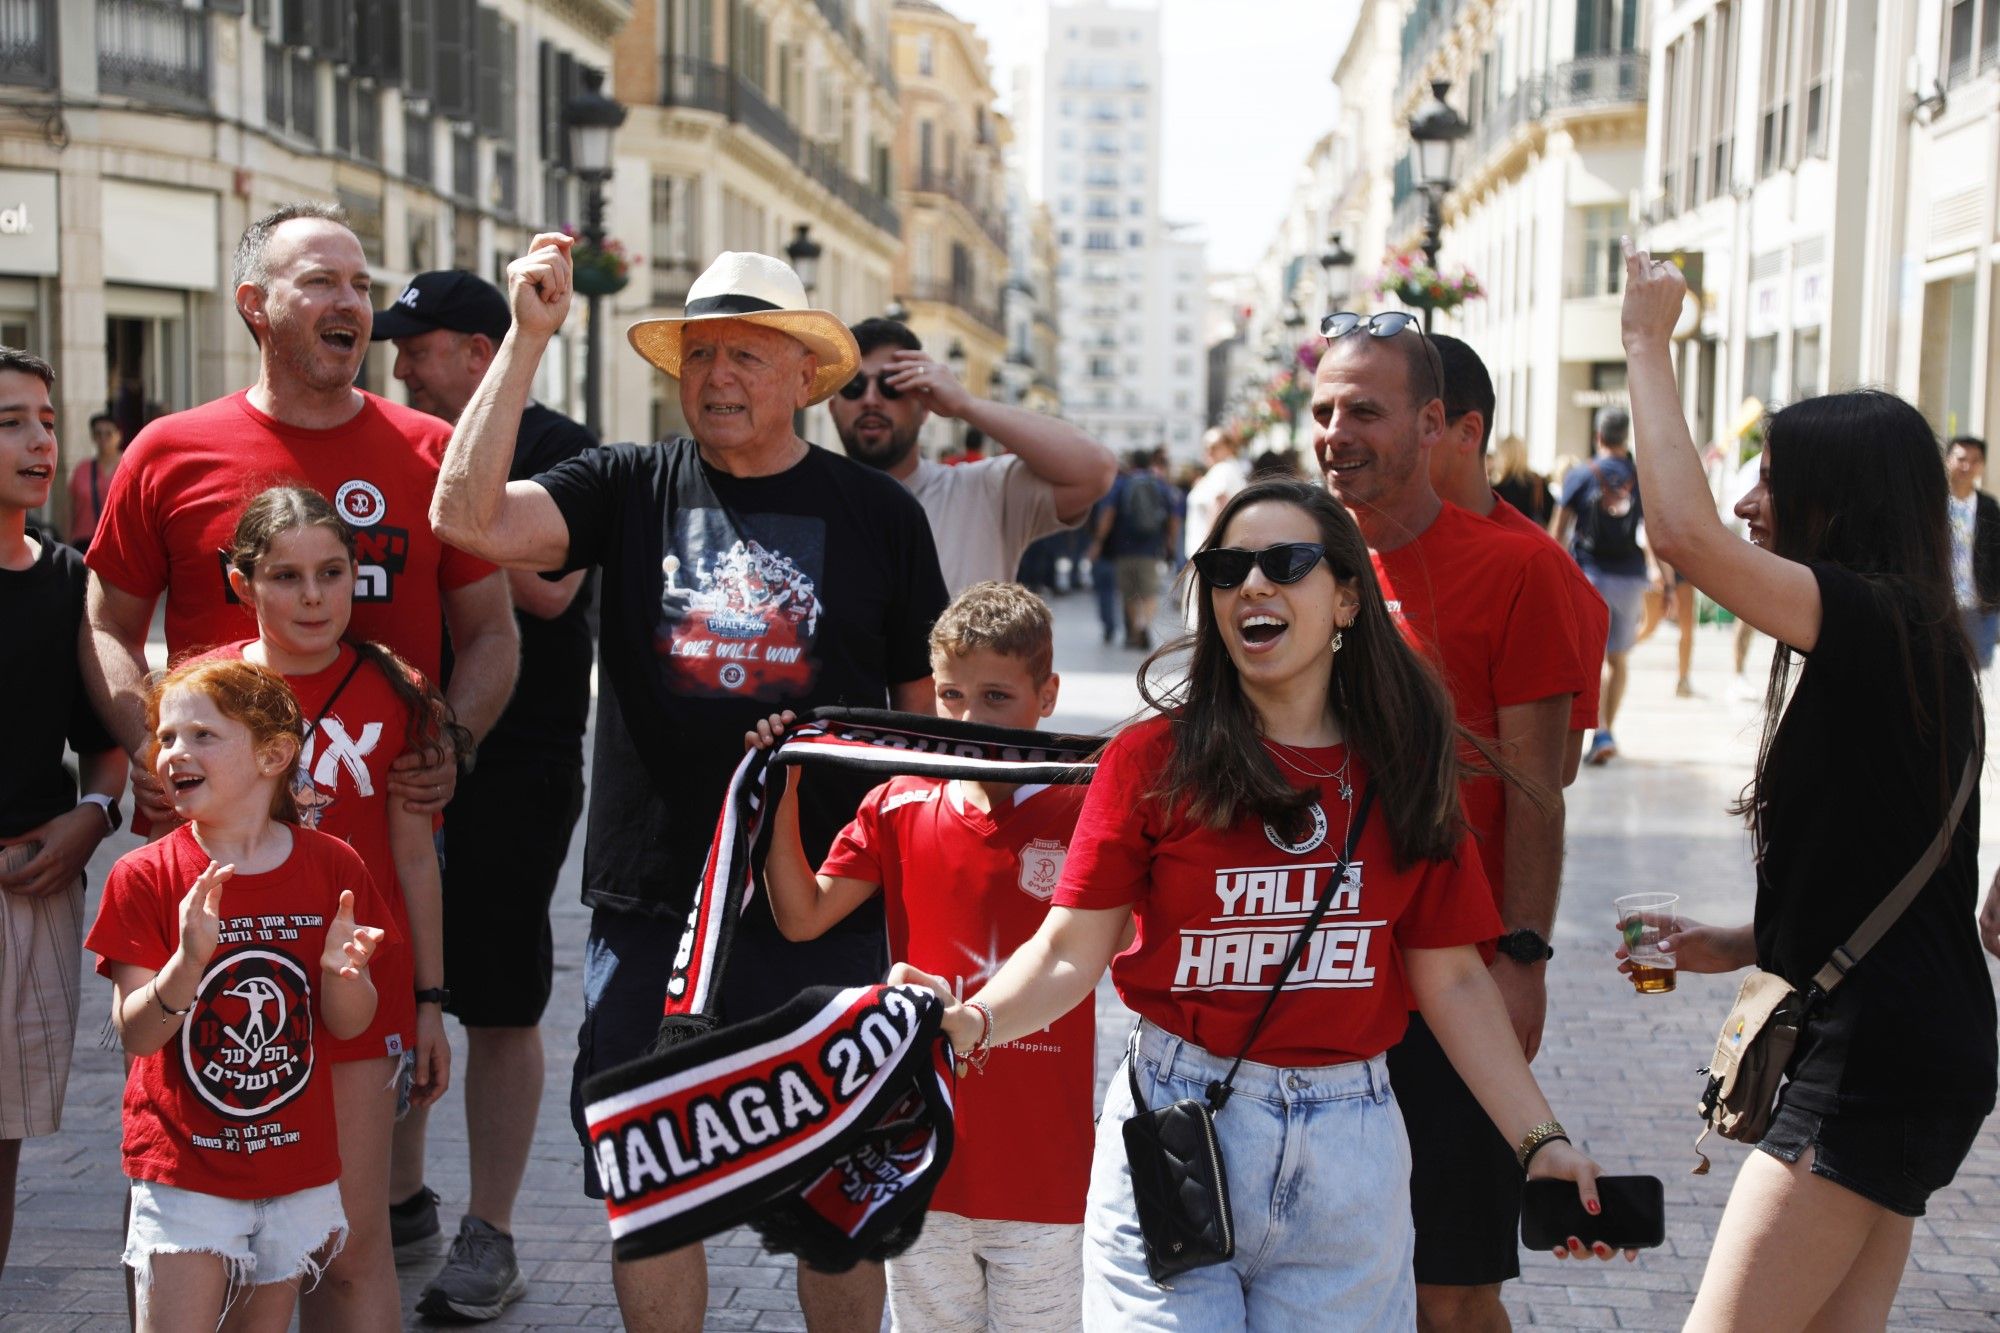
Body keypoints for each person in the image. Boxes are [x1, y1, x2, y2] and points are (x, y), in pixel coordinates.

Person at [897, 479, 1622, 1328]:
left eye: (1286, 563)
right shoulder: (1149, 761)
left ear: (1346, 596)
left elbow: (1454, 980)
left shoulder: (1407, 767)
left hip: (1350, 1155)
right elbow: (1067, 951)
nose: (1253, 584)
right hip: (1178, 1133)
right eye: (1229, 565)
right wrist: (973, 1020)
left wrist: (1542, 1140)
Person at [428, 237, 948, 1332]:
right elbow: (467, 520)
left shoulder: (880, 516)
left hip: (825, 917)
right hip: (653, 908)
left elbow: (924, 721)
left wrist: (909, 904)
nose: (716, 378)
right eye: (700, 354)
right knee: (652, 1200)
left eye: (746, 357)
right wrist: (524, 340)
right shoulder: (626, 483)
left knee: (834, 1205)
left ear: (803, 376)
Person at [1620, 239, 1995, 1330]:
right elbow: (1884, 868)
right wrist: (1733, 941)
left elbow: (1679, 533)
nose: (1746, 501)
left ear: (1838, 501)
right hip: (1915, 1046)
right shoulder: (1901, 639)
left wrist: (1647, 341)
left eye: (1771, 478)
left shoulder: (1879, 625)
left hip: (1875, 1062)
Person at [1312, 310, 1588, 1332]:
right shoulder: (1289, 562)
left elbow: (1535, 787)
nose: (1335, 430)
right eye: (1323, 408)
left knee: (1449, 1284)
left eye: (1364, 411)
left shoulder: (1521, 569)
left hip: (1453, 983)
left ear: (1432, 424)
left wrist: (1520, 954)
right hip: (1316, 980)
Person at [80, 201, 518, 841]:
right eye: (321, 281)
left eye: (362, 286)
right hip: (207, 832)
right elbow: (103, 624)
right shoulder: (166, 451)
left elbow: (492, 633)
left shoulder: (434, 452)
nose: (352, 302)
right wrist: (148, 739)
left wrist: (451, 739)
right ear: (254, 303)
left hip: (384, 841)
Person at [747, 581, 1092, 1332]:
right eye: (951, 695)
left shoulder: (1087, 811)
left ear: (1048, 694)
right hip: (919, 1159)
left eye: (997, 695)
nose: (970, 718)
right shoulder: (900, 802)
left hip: (1045, 1169)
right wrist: (785, 792)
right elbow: (801, 917)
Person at [366, 268, 597, 1320]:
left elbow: (550, 591)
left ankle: (490, 1229)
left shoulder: (561, 445)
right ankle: (401, 1199)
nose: (401, 368)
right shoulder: (392, 437)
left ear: (474, 349)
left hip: (520, 760)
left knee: (499, 999)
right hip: (404, 762)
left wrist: (447, 506)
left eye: (415, 348)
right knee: (398, 983)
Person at [192, 485, 461, 1327]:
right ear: (243, 583)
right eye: (286, 576)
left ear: (357, 577)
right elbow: (182, 858)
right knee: (241, 1244)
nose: (312, 596)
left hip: (359, 1002)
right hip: (237, 1000)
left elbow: (416, 858)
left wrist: (429, 1003)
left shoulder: (396, 691)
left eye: (332, 572)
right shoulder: (207, 696)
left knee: (350, 1245)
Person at [84, 657, 393, 1332]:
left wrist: (347, 976)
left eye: (201, 735)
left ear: (273, 753)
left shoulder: (333, 866)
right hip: (185, 1172)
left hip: (292, 1166)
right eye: (166, 737)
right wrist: (188, 963)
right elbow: (136, 1033)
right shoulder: (145, 875)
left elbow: (350, 1022)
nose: (174, 753)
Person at [0, 348, 125, 1281]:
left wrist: (95, 810)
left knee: (2, 1141)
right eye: (10, 422)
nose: (40, 440)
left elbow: (105, 737)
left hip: (32, 887)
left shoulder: (68, 578)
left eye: (45, 418)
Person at [1428, 334, 1609, 786]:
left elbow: (1551, 773)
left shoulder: (1545, 571)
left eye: (1402, 421)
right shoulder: (1355, 546)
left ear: (1467, 432)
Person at [827, 317, 1115, 594]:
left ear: (925, 406)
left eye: (892, 385)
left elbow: (1095, 469)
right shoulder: (807, 501)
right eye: (853, 386)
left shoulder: (986, 492)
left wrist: (966, 405)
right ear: (832, 407)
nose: (870, 399)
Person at [1552, 406, 1655, 765]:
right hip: (1629, 576)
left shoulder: (1581, 474)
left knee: (1589, 660)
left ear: (1598, 436)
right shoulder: (1640, 477)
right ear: (1624, 436)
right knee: (1618, 658)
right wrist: (1667, 583)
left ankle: (1594, 731)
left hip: (1590, 576)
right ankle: (1605, 731)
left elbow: (1558, 532)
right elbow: (1653, 533)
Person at [1091, 449, 1180, 650]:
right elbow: (1173, 517)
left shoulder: (1121, 484)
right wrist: (1170, 543)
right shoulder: (1159, 485)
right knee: (1148, 593)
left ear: (1131, 463)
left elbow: (1108, 513)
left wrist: (1098, 542)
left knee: (1129, 593)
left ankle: (1133, 629)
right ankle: (1144, 625)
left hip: (1123, 548)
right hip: (1150, 548)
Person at [1945, 435, 2000, 670]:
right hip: (1940, 602)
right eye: (1961, 458)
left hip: (1978, 603)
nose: (1967, 466)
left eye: (1975, 460)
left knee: (1976, 670)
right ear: (1948, 460)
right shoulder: (1935, 502)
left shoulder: (1988, 507)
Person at [1184, 431, 1251, 564]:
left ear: (1229, 447)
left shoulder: (1223, 469)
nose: (1209, 451)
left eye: (1214, 446)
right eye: (1206, 446)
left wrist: (1207, 549)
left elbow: (1219, 506)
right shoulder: (1226, 470)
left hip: (1207, 555)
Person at [65, 412, 123, 550]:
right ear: (93, 437)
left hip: (119, 543)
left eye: (108, 433)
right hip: (84, 542)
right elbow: (69, 510)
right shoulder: (82, 470)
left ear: (119, 435)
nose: (103, 438)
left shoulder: (129, 467)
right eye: (98, 434)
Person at [1487, 434, 1551, 529]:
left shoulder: (1494, 488)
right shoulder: (1537, 483)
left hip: (1502, 540)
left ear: (1502, 456)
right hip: (1529, 540)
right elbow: (1549, 516)